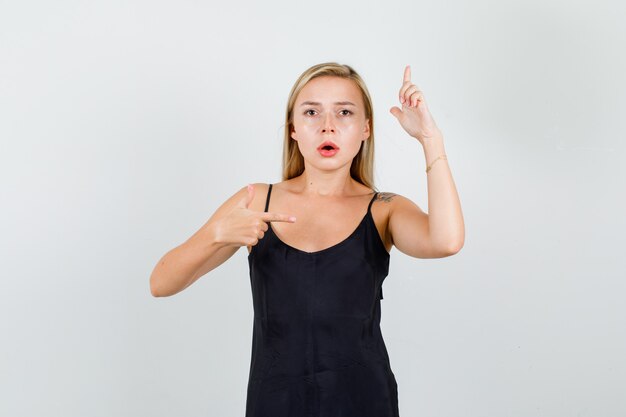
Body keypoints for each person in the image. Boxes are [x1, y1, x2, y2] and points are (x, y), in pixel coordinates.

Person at [149, 62, 464, 416]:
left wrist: (430, 138)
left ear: (365, 129)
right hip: (275, 405)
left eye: (344, 112)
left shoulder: (383, 209)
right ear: (294, 129)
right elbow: (160, 283)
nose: (327, 125)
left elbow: (446, 240)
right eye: (311, 112)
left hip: (365, 403)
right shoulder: (256, 200)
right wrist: (215, 234)